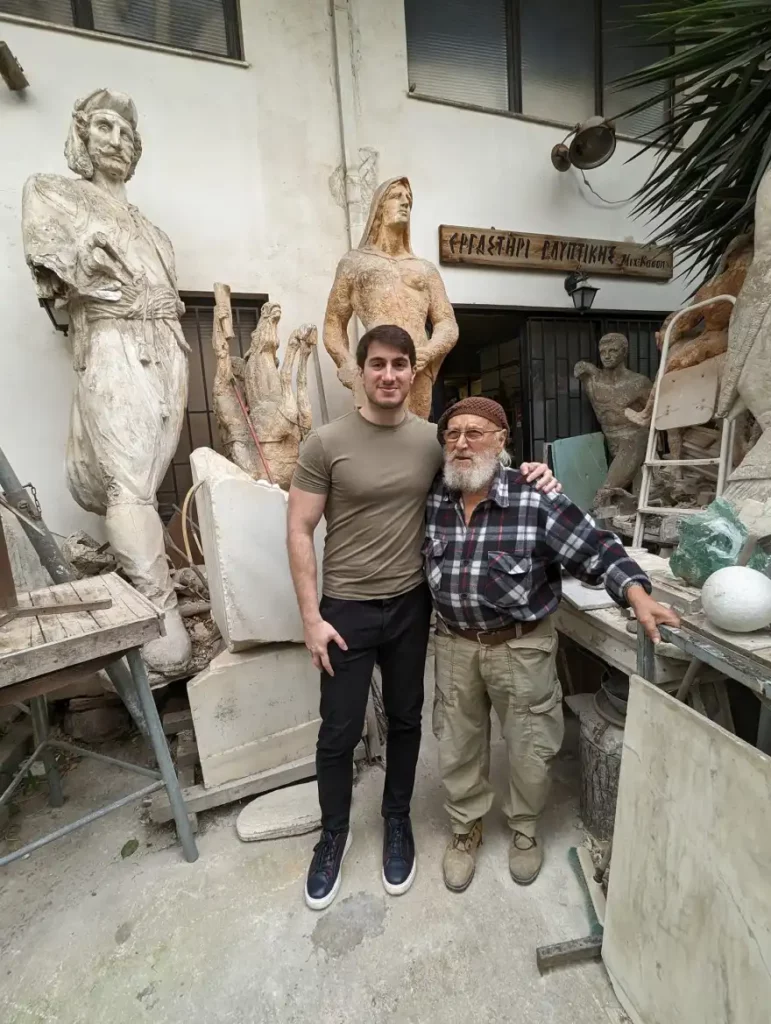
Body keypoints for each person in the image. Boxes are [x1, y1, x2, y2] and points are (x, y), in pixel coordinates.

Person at [287, 325, 559, 910]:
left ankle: (397, 821)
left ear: (414, 373)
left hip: (413, 605)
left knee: (408, 720)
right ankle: (333, 834)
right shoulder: (325, 444)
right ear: (360, 371)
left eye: (399, 365)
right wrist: (310, 618)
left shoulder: (432, 441)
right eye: (377, 364)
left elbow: (483, 464)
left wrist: (538, 473)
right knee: (338, 730)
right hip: (346, 609)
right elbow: (299, 529)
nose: (388, 375)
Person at [426, 397, 679, 892]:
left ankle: (524, 829)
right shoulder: (435, 497)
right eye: (452, 434)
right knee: (457, 742)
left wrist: (637, 595)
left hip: (520, 647)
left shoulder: (534, 496)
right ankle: (465, 826)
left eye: (475, 433)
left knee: (531, 744)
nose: (461, 443)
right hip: (454, 645)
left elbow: (596, 548)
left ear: (501, 441)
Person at [21, 89, 191, 677]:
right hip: (113, 340)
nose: (116, 140)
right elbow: (54, 265)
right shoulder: (56, 193)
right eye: (103, 126)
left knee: (143, 480)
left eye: (126, 132)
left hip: (165, 346)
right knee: (128, 485)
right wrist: (85, 265)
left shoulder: (155, 231)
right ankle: (160, 615)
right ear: (82, 135)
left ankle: (149, 594)